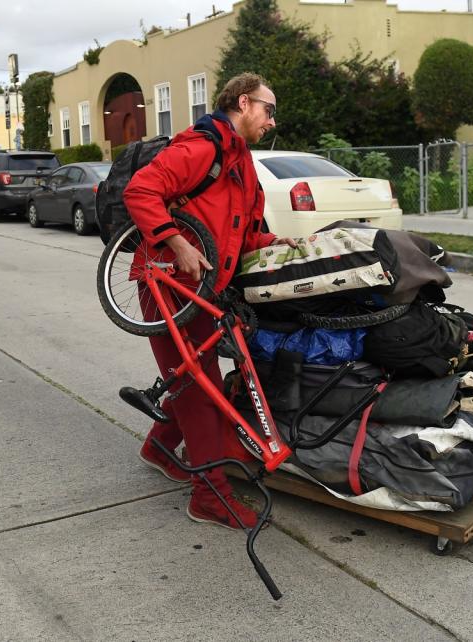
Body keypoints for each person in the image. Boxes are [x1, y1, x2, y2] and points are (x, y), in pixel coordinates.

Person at [123, 73, 296, 530]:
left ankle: (160, 446)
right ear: (243, 102)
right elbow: (141, 191)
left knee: (193, 376)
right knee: (201, 385)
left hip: (205, 288)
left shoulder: (243, 163)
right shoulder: (202, 149)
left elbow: (248, 229)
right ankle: (209, 495)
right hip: (167, 285)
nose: (272, 121)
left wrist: (283, 244)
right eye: (268, 109)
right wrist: (176, 242)